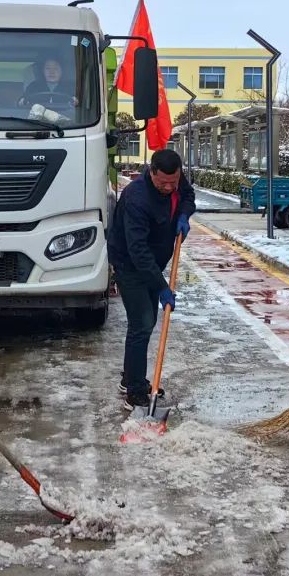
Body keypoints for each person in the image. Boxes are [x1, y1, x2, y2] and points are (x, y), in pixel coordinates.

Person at [108, 149, 196, 411]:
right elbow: (138, 251)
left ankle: (130, 377)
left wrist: (184, 214)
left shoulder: (175, 179)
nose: (169, 187)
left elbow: (188, 196)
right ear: (151, 172)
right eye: (163, 183)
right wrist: (162, 287)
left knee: (146, 323)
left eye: (173, 181)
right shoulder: (137, 198)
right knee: (142, 323)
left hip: (153, 264)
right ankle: (135, 391)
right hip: (130, 265)